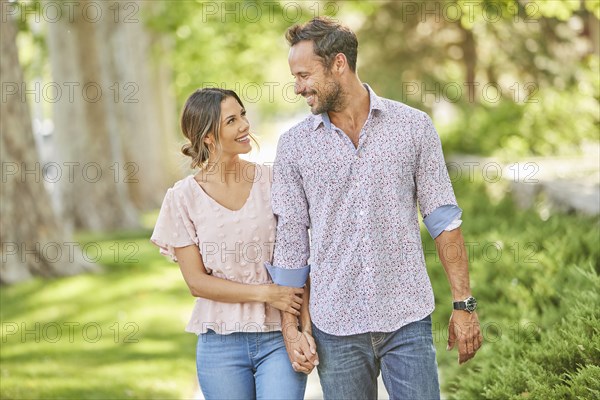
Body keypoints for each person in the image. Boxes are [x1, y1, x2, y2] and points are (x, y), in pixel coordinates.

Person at [265, 17, 483, 399]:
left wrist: (464, 305)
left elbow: (444, 219)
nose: (298, 88)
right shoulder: (294, 146)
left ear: (338, 64)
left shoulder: (413, 127)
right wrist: (291, 326)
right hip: (336, 326)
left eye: (304, 75)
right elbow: (291, 245)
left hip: (406, 318)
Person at [150, 88, 308, 400]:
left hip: (278, 336)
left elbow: (300, 256)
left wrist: (304, 330)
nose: (245, 125)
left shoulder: (274, 180)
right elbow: (196, 282)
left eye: (243, 115)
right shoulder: (182, 198)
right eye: (232, 120)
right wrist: (265, 292)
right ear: (208, 136)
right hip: (220, 345)